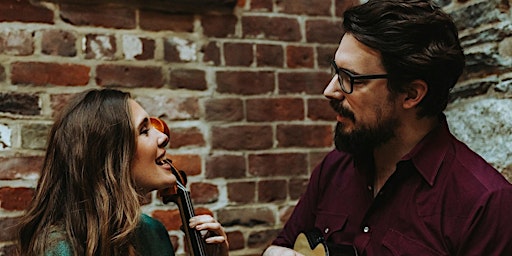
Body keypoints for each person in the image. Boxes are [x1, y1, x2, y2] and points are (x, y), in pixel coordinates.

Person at [263, 0, 512, 255]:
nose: (330, 91)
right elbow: (282, 247)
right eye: (336, 71)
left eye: (351, 79)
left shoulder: (485, 203)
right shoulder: (334, 169)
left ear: (410, 94)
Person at [17, 89, 229, 255]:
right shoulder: (61, 248)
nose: (164, 137)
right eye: (144, 131)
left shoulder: (154, 233)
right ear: (110, 157)